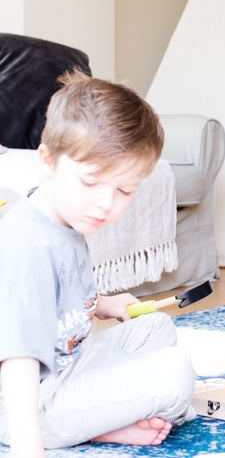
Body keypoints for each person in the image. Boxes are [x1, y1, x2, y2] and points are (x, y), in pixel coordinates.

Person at [0, 71, 196, 456]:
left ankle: (99, 421)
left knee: (155, 329)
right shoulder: (28, 244)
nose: (106, 204)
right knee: (175, 371)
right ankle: (90, 427)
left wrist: (104, 303)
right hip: (25, 402)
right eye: (91, 183)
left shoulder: (65, 219)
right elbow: (18, 360)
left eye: (124, 190)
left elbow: (61, 299)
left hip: (65, 367)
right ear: (48, 160)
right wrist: (28, 447)